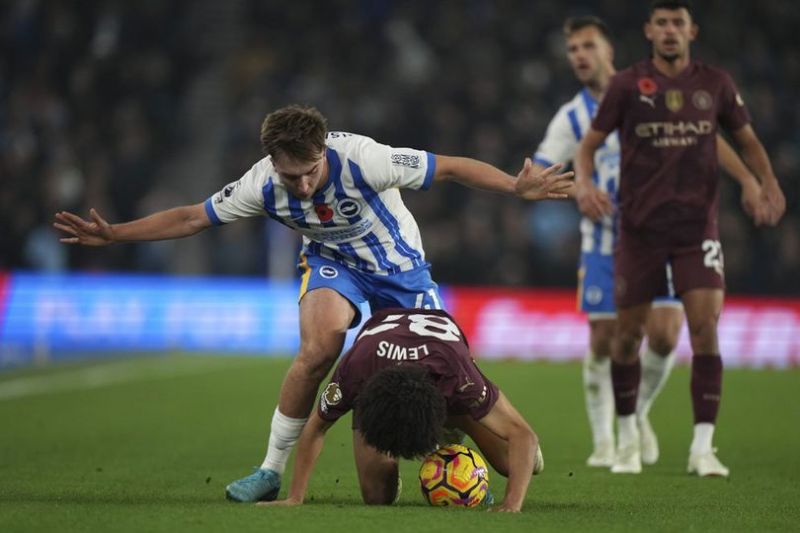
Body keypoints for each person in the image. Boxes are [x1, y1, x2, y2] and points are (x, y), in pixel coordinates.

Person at [53, 105, 571, 501]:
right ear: (271, 162)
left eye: (310, 171)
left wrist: (513, 186)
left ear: (324, 150)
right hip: (334, 264)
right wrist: (115, 235)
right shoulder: (262, 184)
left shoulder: (369, 159)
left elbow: (452, 168)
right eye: (289, 175)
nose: (301, 185)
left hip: (400, 270)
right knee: (319, 347)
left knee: (440, 380)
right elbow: (193, 217)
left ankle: (455, 438)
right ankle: (270, 471)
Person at [526, 15, 770, 469]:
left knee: (663, 336)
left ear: (608, 50)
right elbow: (544, 169)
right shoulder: (571, 117)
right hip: (605, 243)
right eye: (573, 50)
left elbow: (705, 137)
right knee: (605, 339)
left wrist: (750, 179)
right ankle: (606, 442)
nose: (580, 56)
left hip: (665, 233)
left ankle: (636, 412)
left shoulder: (645, 91)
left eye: (587, 46)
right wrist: (576, 187)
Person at [255, 307, 543, 512]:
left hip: (444, 377)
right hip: (381, 371)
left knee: (515, 464)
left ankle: (455, 424)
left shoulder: (459, 377)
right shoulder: (355, 373)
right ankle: (437, 435)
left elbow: (524, 436)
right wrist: (295, 496)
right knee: (377, 497)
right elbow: (316, 428)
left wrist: (511, 505)